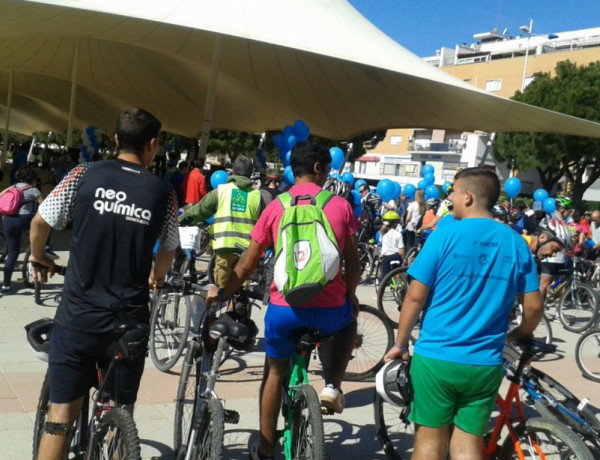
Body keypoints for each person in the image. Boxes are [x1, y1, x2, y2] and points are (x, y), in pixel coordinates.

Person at [29, 107, 179, 460]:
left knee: (60, 418)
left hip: (79, 316)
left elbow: (39, 223)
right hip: (128, 321)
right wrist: (156, 279)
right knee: (121, 411)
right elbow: (169, 249)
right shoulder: (162, 193)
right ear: (153, 145)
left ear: (115, 140)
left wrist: (39, 258)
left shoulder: (83, 175)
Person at [205, 142, 360, 460]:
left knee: (274, 374)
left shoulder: (276, 207)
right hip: (329, 310)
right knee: (349, 320)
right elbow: (353, 264)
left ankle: (264, 449)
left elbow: (248, 264)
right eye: (327, 167)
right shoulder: (340, 206)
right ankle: (332, 385)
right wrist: (350, 295)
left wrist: (223, 293)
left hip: (284, 311)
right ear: (318, 169)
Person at [383, 167, 543, 460]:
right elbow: (533, 307)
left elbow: (415, 296)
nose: (450, 199)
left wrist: (400, 343)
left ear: (467, 196)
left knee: (429, 444)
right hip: (485, 363)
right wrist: (521, 334)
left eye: (453, 192)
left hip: (436, 359)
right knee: (469, 445)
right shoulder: (515, 242)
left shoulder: (444, 234)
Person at [179, 156, 264, 289]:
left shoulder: (220, 191)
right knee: (241, 289)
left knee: (221, 289)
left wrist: (181, 220)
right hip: (247, 251)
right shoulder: (257, 196)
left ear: (233, 171)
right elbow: (264, 225)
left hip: (223, 247)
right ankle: (238, 305)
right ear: (250, 173)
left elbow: (201, 210)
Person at [1, 165, 43, 293]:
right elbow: (45, 207)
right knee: (42, 224)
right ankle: (44, 247)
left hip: (7, 221)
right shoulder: (34, 190)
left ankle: (6, 285)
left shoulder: (12, 187)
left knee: (13, 253)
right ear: (32, 178)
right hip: (25, 220)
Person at [379, 210, 405, 281]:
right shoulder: (398, 234)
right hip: (397, 256)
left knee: (385, 278)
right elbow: (401, 249)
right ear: (396, 223)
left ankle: (382, 289)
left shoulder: (382, 233)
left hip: (386, 257)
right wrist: (404, 258)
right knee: (399, 270)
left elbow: (380, 242)